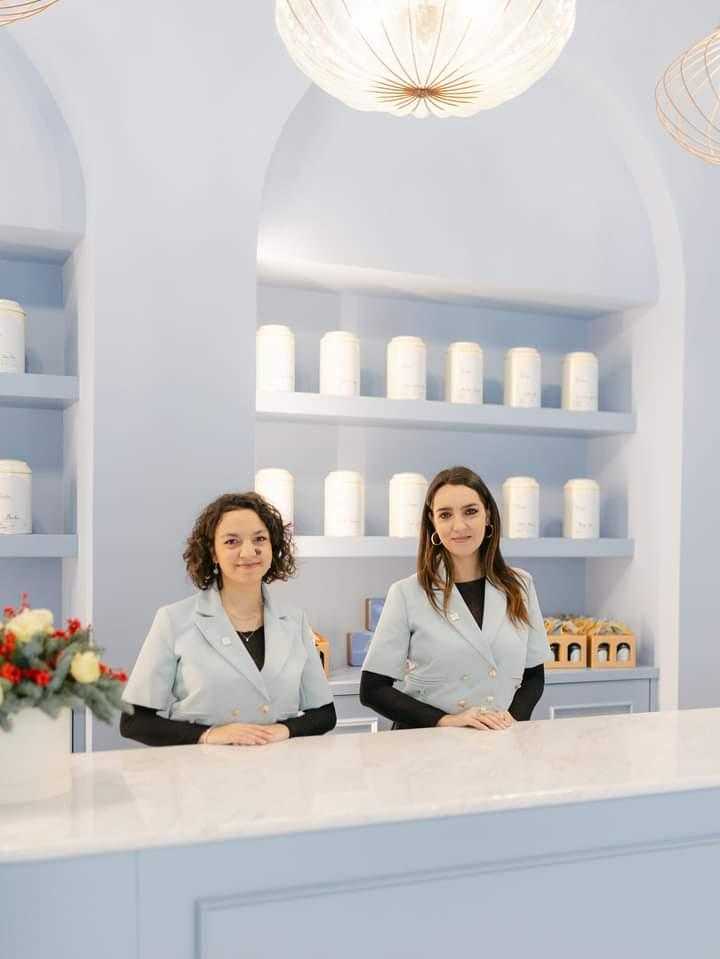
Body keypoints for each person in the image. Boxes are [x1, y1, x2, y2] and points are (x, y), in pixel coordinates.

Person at [120, 491, 336, 746]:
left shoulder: (294, 620)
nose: (248, 551)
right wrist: (209, 734)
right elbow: (134, 721)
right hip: (202, 766)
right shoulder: (173, 620)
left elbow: (324, 714)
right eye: (232, 541)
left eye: (260, 539)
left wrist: (285, 730)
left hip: (278, 764)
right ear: (213, 552)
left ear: (273, 547)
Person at [360, 466, 551, 731]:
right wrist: (447, 720)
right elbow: (372, 689)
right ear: (433, 522)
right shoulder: (406, 593)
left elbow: (534, 677)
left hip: (497, 739)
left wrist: (512, 720)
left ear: (487, 515)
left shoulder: (520, 585)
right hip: (427, 740)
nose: (459, 526)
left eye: (470, 511)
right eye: (445, 515)